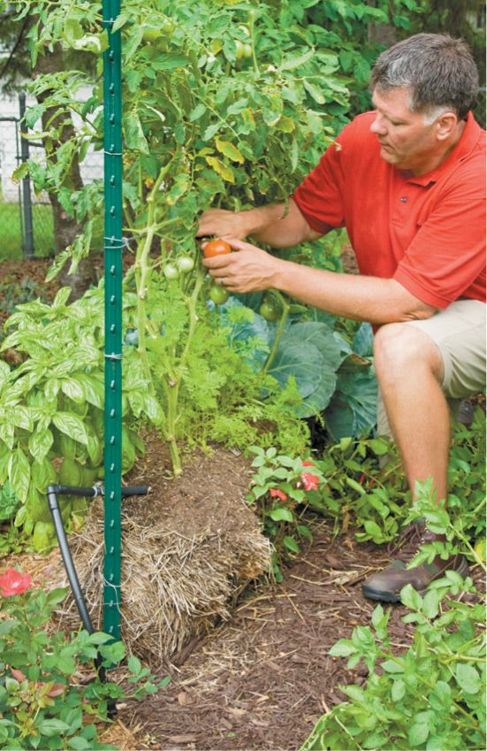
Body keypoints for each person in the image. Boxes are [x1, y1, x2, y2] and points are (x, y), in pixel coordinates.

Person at [196, 33, 486, 603]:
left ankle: (433, 536)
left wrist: (274, 274)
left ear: (445, 125)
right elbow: (304, 217)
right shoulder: (365, 138)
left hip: (468, 310)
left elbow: (409, 302)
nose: (375, 127)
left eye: (393, 121)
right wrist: (245, 222)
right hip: (415, 311)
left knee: (400, 343)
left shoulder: (478, 178)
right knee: (387, 444)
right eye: (375, 110)